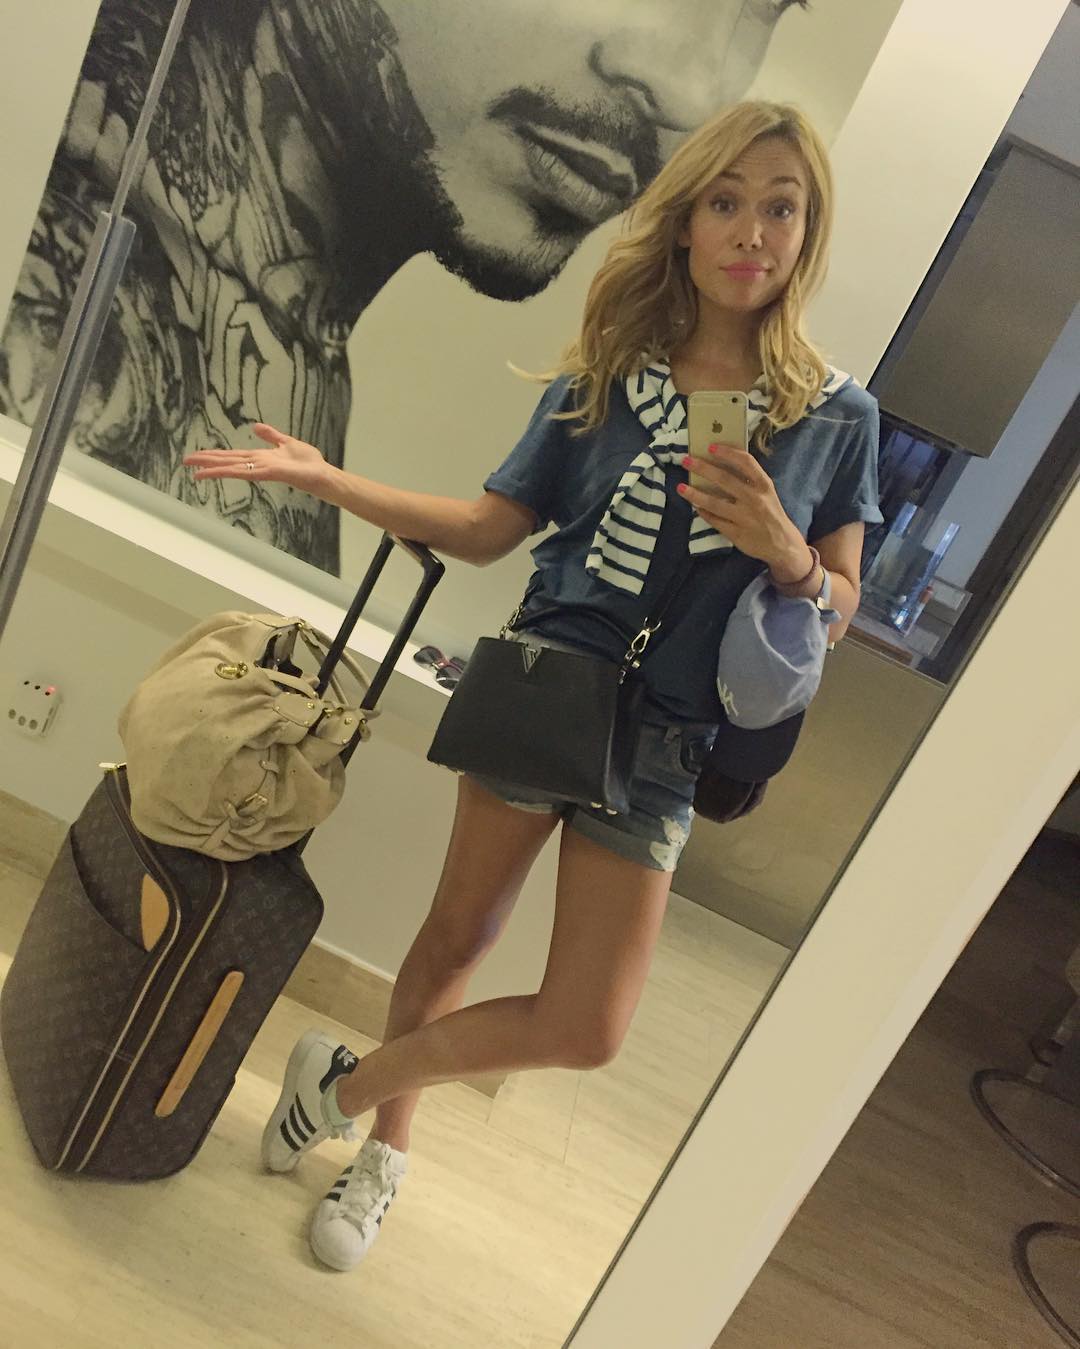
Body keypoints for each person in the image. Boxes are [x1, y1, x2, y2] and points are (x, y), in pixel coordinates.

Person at [183, 99, 883, 1273]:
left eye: (782, 207)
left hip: (668, 740)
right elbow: (486, 527)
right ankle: (385, 1151)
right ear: (686, 224)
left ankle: (344, 1084)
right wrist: (331, 478)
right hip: (548, 681)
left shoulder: (836, 414)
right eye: (726, 201)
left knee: (588, 1025)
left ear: (808, 232)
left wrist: (790, 553)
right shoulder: (604, 379)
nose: (752, 231)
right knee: (458, 933)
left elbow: (843, 604)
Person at [1, 0, 807, 571]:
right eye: (730, 206)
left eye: (769, 4)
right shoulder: (79, 260)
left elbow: (491, 530)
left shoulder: (289, 327)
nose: (684, 91)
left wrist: (792, 563)